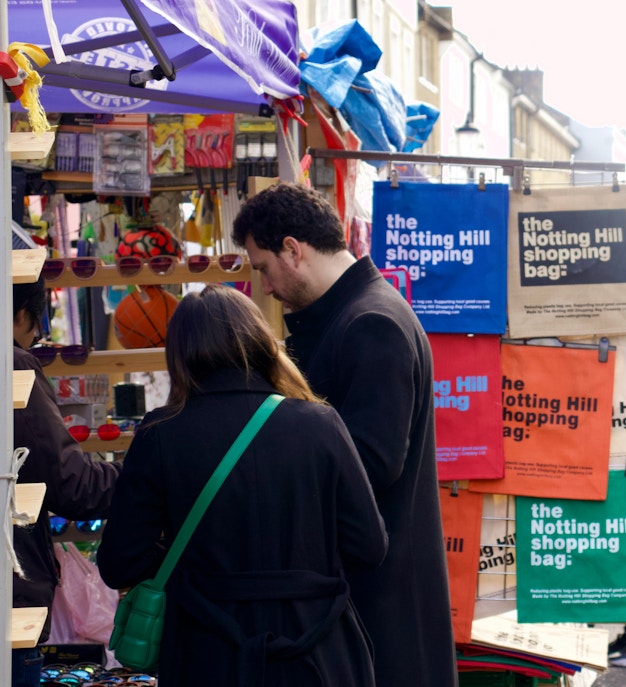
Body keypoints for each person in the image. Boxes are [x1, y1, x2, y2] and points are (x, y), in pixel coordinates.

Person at [96, 285, 388, 686]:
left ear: (179, 355)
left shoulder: (161, 435)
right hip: (318, 648)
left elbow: (119, 563)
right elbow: (369, 546)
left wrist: (188, 562)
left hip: (207, 652)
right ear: (260, 341)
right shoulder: (321, 424)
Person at [231, 184, 456, 685]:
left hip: (383, 598)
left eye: (263, 266)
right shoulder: (355, 314)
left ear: (293, 249)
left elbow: (370, 464)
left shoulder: (370, 322)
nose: (264, 287)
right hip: (372, 590)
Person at [11, 276, 121, 687]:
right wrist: (143, 478)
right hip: (11, 606)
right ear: (22, 314)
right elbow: (70, 484)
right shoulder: (15, 364)